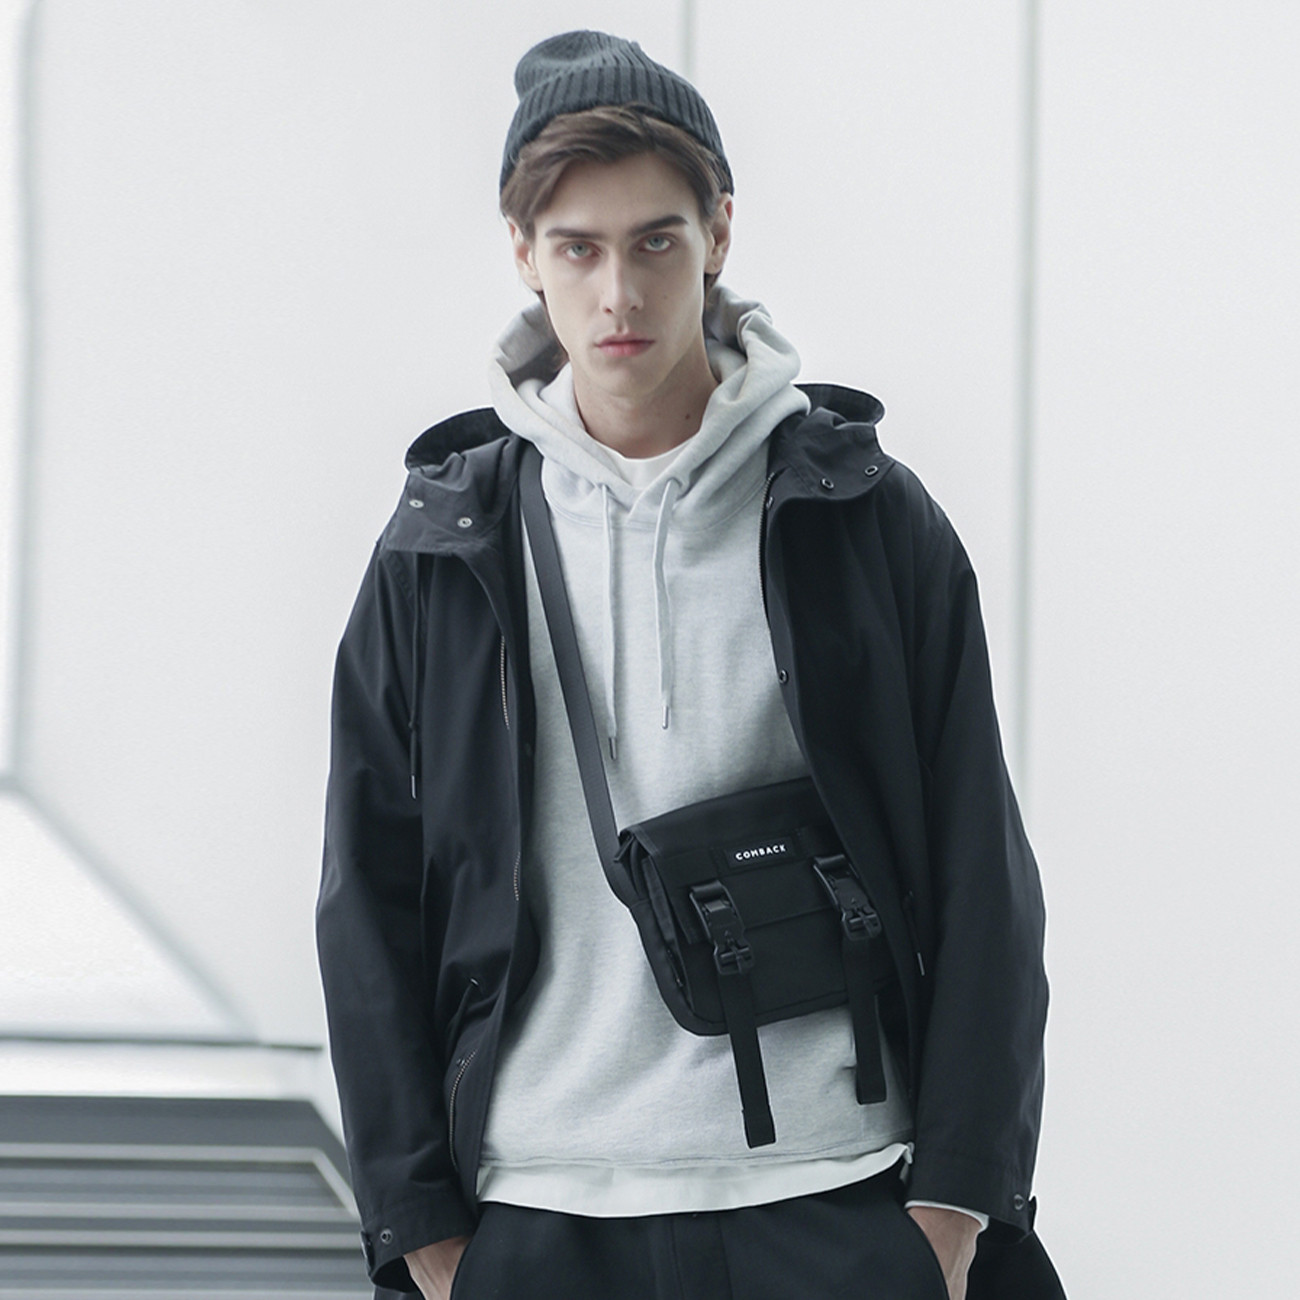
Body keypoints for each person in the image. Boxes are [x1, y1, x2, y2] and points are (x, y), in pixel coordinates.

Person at [317, 29, 1062, 1300]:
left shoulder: (859, 513)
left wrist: (953, 1199)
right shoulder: (443, 544)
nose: (618, 293)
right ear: (523, 253)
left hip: (833, 1195)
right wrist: (419, 1231)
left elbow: (980, 867)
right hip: (539, 1210)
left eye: (655, 241)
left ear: (718, 232)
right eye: (578, 248)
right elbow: (366, 900)